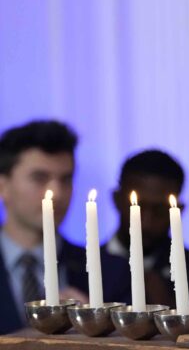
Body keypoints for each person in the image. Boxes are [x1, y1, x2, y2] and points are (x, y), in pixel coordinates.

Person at [0, 120, 131, 334]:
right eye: (39, 178)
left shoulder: (110, 272)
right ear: (3, 186)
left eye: (66, 179)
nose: (57, 194)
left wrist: (93, 325)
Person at [108, 149, 189, 309]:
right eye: (137, 208)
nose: (147, 222)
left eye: (160, 210)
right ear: (116, 200)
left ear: (179, 210)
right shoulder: (78, 267)